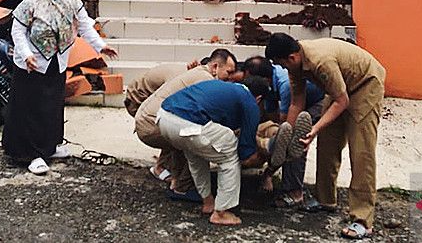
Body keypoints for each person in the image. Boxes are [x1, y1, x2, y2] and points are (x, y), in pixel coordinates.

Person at [265, 34, 386, 240]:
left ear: (292, 58)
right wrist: (289, 134)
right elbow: (297, 102)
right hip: (341, 89)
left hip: (366, 84)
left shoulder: (321, 62)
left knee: (361, 153)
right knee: (327, 145)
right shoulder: (296, 65)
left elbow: (342, 101)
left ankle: (363, 220)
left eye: (282, 65)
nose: (284, 70)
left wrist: (315, 128)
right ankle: (325, 200)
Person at [3, 0, 117, 175]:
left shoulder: (71, 0)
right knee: (32, 108)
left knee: (51, 106)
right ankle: (31, 154)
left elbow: (84, 26)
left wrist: (101, 46)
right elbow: (17, 29)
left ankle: (49, 146)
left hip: (56, 62)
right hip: (32, 64)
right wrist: (27, 54)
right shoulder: (32, 0)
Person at [157, 77, 275, 226]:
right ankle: (221, 212)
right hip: (189, 123)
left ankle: (208, 202)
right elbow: (245, 152)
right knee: (229, 153)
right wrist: (260, 155)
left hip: (163, 118)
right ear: (258, 99)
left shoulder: (224, 87)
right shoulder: (249, 101)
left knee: (196, 156)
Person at [134, 49, 239, 196]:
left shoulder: (199, 72)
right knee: (197, 138)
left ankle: (176, 180)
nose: (230, 79)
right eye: (228, 73)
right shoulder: (206, 80)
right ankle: (184, 187)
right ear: (215, 67)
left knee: (183, 133)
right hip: (151, 124)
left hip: (147, 119)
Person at [240, 56, 323, 207]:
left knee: (297, 139)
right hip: (298, 101)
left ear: (264, 80)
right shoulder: (270, 82)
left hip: (318, 102)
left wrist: (270, 169)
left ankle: (294, 191)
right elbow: (272, 115)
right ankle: (268, 152)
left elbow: (285, 128)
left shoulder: (285, 85)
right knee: (276, 132)